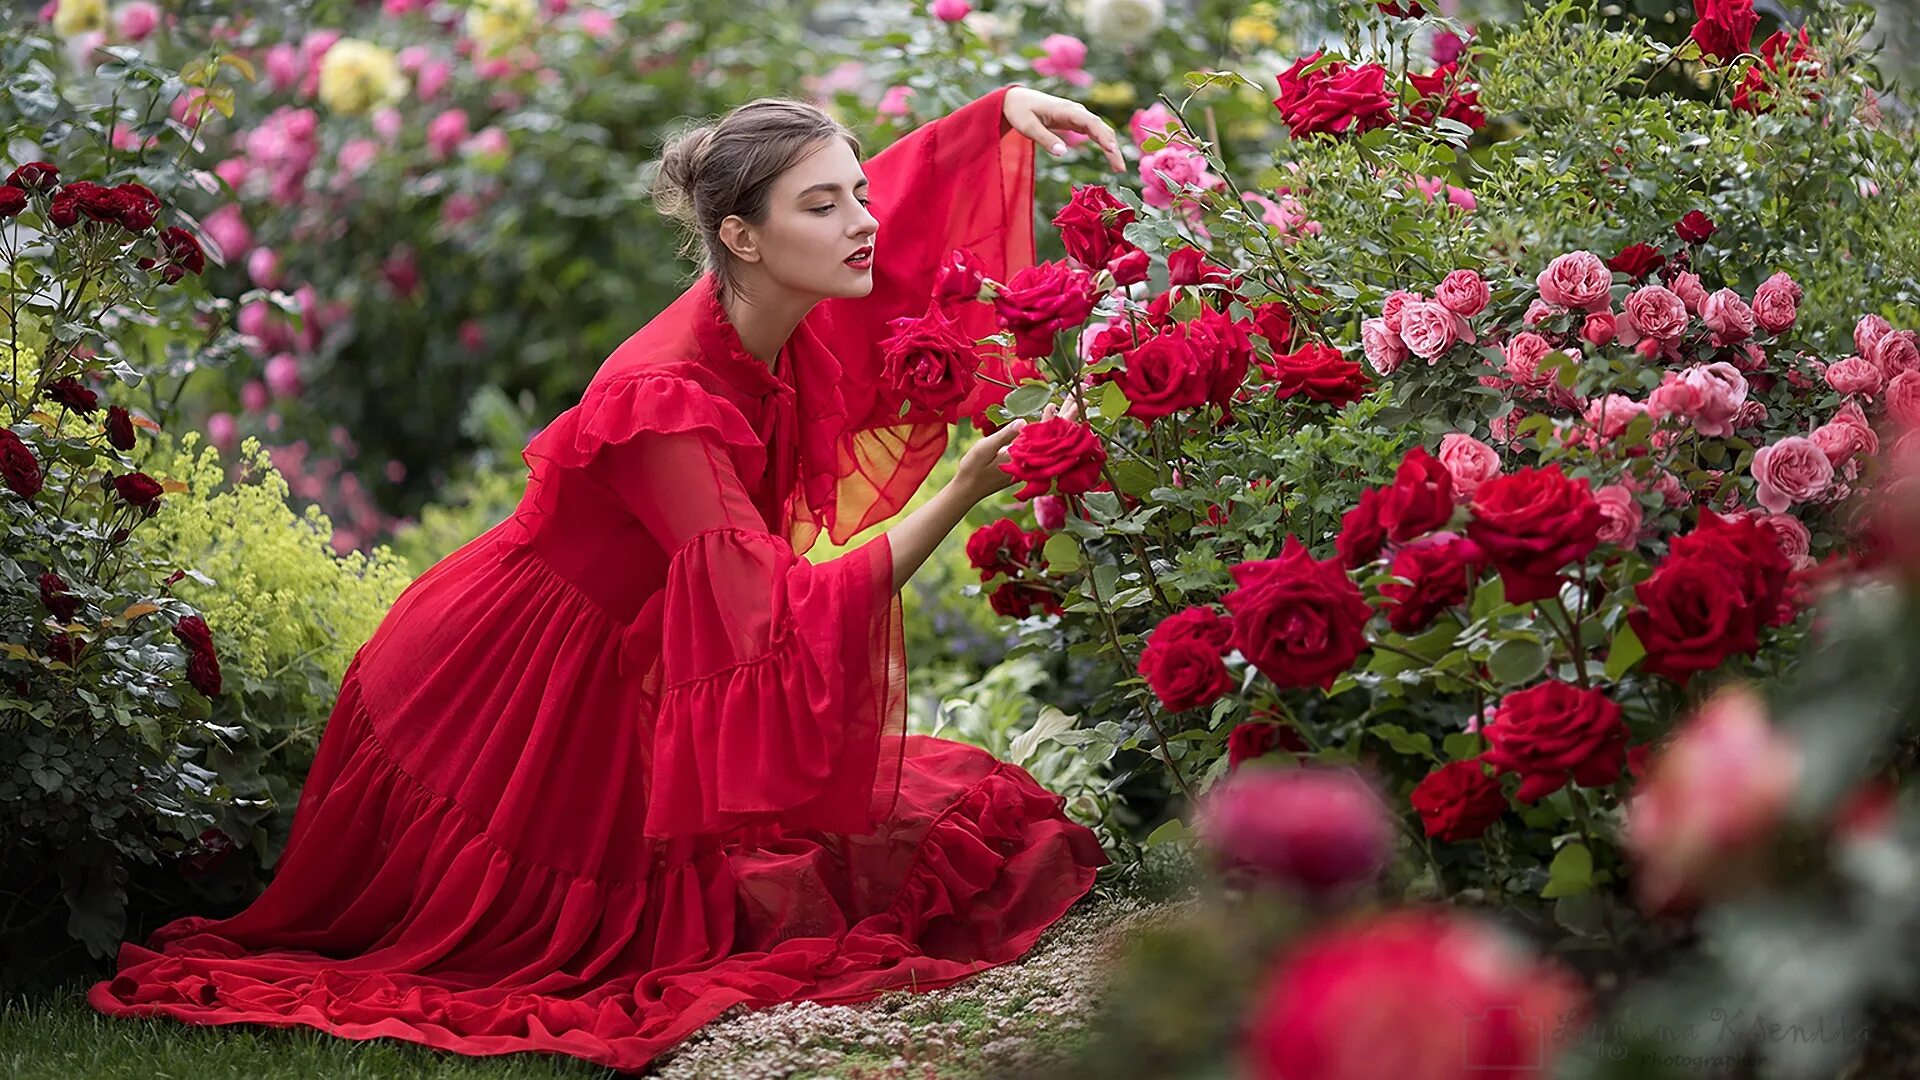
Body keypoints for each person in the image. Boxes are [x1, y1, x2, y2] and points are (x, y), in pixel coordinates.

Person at [88, 84, 1124, 1072]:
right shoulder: (665, 401)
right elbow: (778, 617)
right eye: (826, 203)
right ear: (741, 238)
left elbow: (869, 212)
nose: (864, 221)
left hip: (612, 661)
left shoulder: (763, 295)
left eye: (861, 193)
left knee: (963, 826)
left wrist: (997, 122)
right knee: (615, 942)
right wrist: (962, 490)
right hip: (508, 698)